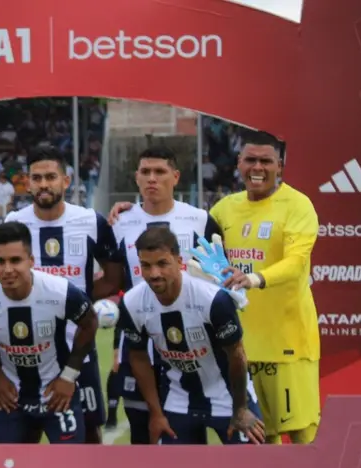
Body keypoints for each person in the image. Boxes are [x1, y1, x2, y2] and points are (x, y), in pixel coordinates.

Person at [114, 132, 320, 444]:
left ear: (280, 165)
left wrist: (254, 279)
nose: (257, 167)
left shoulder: (298, 205)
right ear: (239, 163)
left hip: (284, 341)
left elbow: (296, 262)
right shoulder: (223, 210)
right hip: (230, 342)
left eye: (266, 161)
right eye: (250, 159)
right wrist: (128, 210)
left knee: (299, 433)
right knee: (265, 439)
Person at [4, 147, 122, 444]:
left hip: (78, 345)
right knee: (25, 431)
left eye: (51, 177)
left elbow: (114, 276)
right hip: (27, 347)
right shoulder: (14, 224)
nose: (44, 184)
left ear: (66, 181)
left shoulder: (91, 221)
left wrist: (79, 303)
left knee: (89, 429)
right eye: (37, 178)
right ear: (27, 183)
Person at [108, 146, 225, 442]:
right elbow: (118, 283)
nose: (152, 178)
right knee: (141, 432)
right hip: (138, 343)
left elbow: (218, 280)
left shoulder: (200, 220)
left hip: (189, 344)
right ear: (136, 178)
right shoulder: (119, 223)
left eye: (159, 172)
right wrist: (115, 347)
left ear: (175, 177)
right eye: (145, 172)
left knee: (184, 433)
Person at [116, 227, 265, 445]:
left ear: (179, 261)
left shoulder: (212, 299)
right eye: (146, 266)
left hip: (229, 396)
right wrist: (156, 414)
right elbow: (138, 357)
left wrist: (241, 408)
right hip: (178, 399)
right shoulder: (131, 303)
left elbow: (237, 355)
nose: (154, 273)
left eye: (162, 263)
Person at [0, 221, 99, 444]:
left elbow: (90, 322)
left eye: (16, 260)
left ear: (31, 261)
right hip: (9, 396)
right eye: (0, 261)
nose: (8, 269)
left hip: (57, 394)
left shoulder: (60, 291)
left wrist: (68, 376)